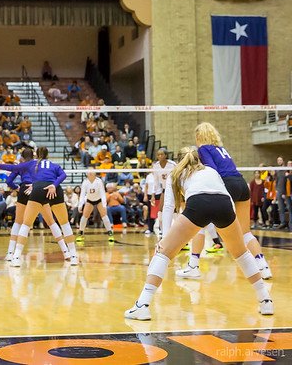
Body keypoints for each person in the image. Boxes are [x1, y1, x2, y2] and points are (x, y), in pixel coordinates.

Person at [125, 147, 273, 320]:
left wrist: (164, 238)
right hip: (224, 206)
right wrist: (229, 226)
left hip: (198, 204)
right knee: (242, 254)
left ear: (179, 160)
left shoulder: (175, 173)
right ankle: (266, 300)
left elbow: (168, 207)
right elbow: (224, 196)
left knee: (163, 254)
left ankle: (142, 305)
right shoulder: (211, 170)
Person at [175, 123, 272, 280]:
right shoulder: (221, 149)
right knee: (246, 232)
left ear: (199, 136)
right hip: (241, 183)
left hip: (227, 184)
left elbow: (212, 169)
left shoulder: (204, 149)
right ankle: (264, 267)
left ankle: (193, 266)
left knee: (198, 225)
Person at [0, 147, 70, 261]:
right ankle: (66, 252)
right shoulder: (37, 163)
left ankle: (11, 253)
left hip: (25, 190)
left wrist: (17, 188)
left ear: (22, 158)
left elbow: (9, 181)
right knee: (51, 222)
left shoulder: (23, 165)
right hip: (40, 188)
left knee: (19, 222)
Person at [10, 147, 78, 267]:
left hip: (35, 190)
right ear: (48, 155)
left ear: (37, 155)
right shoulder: (54, 165)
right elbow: (63, 175)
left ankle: (15, 256)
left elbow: (11, 170)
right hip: (53, 190)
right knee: (63, 223)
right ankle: (72, 255)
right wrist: (53, 185)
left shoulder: (32, 164)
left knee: (24, 224)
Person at [76, 168, 114, 243]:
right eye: (88, 172)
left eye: (91, 172)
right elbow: (82, 194)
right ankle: (80, 233)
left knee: (104, 216)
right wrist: (80, 205)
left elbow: (103, 193)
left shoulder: (99, 181)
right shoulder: (85, 182)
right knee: (84, 216)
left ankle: (110, 233)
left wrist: (104, 204)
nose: (90, 173)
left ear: (95, 173)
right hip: (89, 201)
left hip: (99, 200)